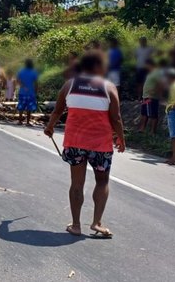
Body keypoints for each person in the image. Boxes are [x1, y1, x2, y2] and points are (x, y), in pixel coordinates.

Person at [44, 51, 125, 238]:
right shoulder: (109, 87)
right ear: (98, 67)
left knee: (76, 184)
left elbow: (57, 111)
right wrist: (121, 138)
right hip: (101, 145)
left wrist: (50, 127)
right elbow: (116, 118)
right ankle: (96, 223)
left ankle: (76, 225)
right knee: (102, 181)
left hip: (75, 143)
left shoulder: (69, 85)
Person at [138, 59, 164, 135]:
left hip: (152, 96)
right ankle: (142, 129)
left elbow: (160, 84)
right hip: (146, 96)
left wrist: (159, 95)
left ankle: (153, 131)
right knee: (144, 113)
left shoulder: (157, 73)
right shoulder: (150, 73)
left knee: (153, 114)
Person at [16, 59, 38, 126]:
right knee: (29, 108)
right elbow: (36, 83)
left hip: (22, 92)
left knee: (21, 107)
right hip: (31, 93)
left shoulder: (21, 71)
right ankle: (28, 122)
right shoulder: (34, 72)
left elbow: (18, 80)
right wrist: (36, 92)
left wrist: (23, 86)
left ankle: (20, 121)